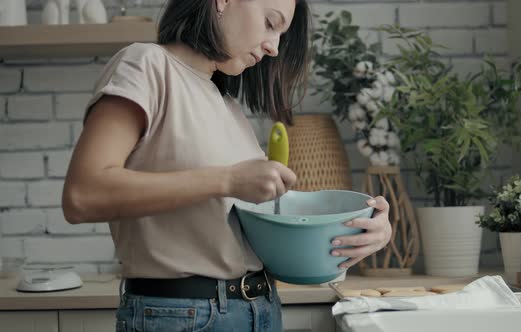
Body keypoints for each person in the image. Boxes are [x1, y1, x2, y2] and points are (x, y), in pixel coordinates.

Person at [62, 0, 392, 331]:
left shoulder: (226, 104)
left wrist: (358, 230)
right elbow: (82, 195)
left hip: (258, 310)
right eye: (269, 23)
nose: (273, 47)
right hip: (183, 317)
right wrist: (227, 179)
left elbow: (258, 226)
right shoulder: (146, 65)